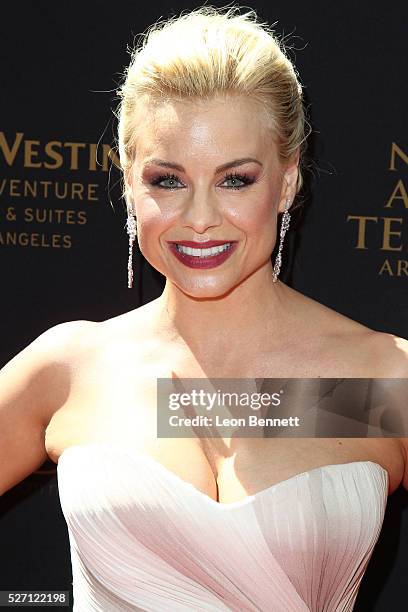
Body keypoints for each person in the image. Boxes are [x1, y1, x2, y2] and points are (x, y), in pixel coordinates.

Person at [1, 5, 407, 611]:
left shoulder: (377, 381)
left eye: (234, 179)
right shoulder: (72, 370)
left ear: (288, 181)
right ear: (130, 185)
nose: (199, 218)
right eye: (167, 180)